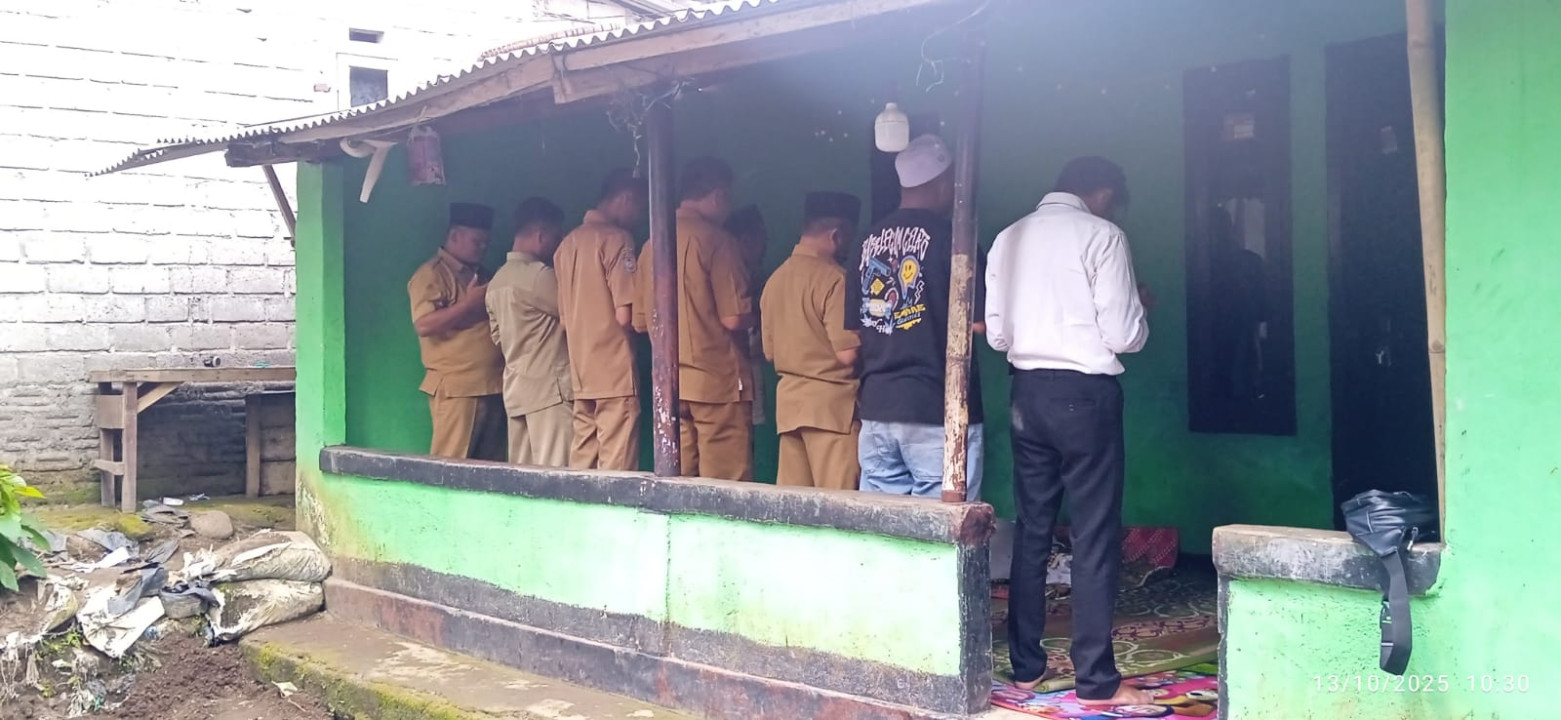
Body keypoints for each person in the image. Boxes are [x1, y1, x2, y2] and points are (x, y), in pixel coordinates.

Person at [984, 156, 1152, 707]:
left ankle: (1025, 668)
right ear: (1101, 193)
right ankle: (1097, 681)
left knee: (1033, 527)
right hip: (1086, 396)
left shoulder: (1007, 238)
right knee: (1094, 534)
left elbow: (998, 337)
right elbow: (1123, 334)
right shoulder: (1102, 236)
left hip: (1026, 393)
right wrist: (1141, 310)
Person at [847, 134, 984, 500]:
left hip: (877, 409)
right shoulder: (957, 240)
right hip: (937, 409)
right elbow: (977, 324)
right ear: (944, 182)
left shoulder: (865, 242)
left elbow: (857, 328)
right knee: (942, 525)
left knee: (881, 523)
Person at [633, 157, 753, 480]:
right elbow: (734, 317)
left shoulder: (650, 245)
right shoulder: (718, 240)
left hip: (671, 384)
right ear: (718, 196)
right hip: (717, 383)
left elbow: (640, 322)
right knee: (725, 482)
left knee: (681, 480)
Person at [760, 192, 863, 490]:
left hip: (790, 408)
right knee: (840, 504)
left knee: (795, 506)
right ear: (836, 235)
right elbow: (847, 354)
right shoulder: (835, 280)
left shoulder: (775, 280)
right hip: (832, 410)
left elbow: (769, 353)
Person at [554, 169, 647, 470]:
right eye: (639, 207)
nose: (638, 217)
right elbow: (625, 314)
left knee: (583, 460)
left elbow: (564, 321)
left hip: (581, 372)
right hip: (614, 372)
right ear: (625, 199)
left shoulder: (565, 246)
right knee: (616, 467)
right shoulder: (617, 240)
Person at [408, 202, 506, 460]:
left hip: (492, 385)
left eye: (486, 242)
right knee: (451, 467)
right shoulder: (432, 275)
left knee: (491, 469)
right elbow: (424, 325)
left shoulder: (483, 275)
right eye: (477, 241)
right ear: (454, 236)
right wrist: (467, 305)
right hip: (458, 389)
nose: (483, 247)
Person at [487, 197, 573, 466]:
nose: (558, 244)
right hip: (549, 392)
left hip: (516, 391)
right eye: (556, 237)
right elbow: (575, 315)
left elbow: (497, 337)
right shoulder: (539, 276)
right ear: (541, 236)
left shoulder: (497, 281)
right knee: (557, 473)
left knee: (522, 476)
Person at [726, 205, 770, 427]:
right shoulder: (727, 276)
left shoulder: (757, 278)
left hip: (745, 372)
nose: (764, 247)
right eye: (761, 239)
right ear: (745, 240)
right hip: (729, 375)